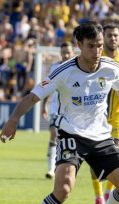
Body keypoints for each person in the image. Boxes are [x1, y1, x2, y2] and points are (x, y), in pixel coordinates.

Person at [0, 21, 119, 204]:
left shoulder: (111, 68)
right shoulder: (63, 71)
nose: (97, 51)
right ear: (79, 45)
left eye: (100, 46)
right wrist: (12, 121)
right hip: (71, 134)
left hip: (101, 137)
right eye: (91, 46)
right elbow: (32, 97)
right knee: (63, 189)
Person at [90, 23, 119, 204]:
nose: (113, 39)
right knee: (95, 159)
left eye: (116, 35)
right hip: (96, 117)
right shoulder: (95, 60)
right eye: (110, 35)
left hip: (118, 115)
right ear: (103, 38)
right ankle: (98, 195)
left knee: (116, 155)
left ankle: (109, 193)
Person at [41, 42, 75, 179]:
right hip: (56, 108)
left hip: (73, 110)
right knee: (54, 133)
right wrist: (44, 104)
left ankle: (66, 167)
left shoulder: (77, 67)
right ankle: (51, 169)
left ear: (73, 53)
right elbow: (49, 86)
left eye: (68, 52)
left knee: (70, 139)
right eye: (63, 52)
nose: (66, 55)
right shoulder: (55, 67)